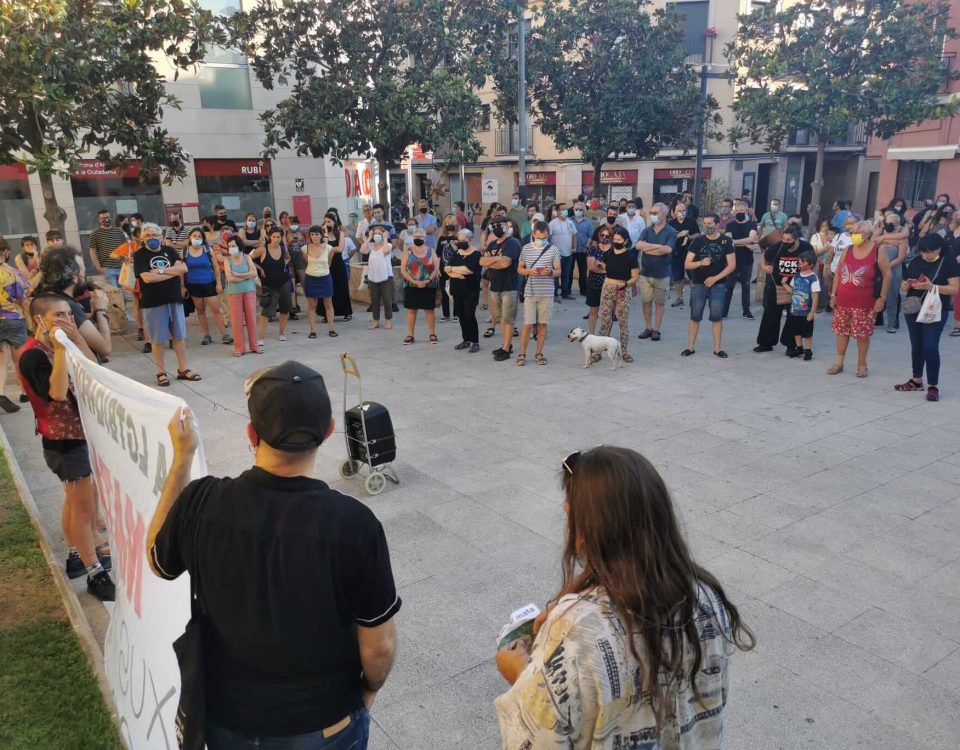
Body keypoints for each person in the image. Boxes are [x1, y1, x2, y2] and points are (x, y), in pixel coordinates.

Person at [146, 362, 400, 748]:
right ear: (329, 431)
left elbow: (158, 560)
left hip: (227, 720)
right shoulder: (355, 525)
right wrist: (365, 692)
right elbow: (379, 646)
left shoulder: (202, 501)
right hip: (324, 724)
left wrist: (182, 457)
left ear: (252, 433)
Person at [495, 446, 753, 749]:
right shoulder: (707, 597)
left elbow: (541, 740)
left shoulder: (575, 629)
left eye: (571, 514)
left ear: (591, 530)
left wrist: (519, 674)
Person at [19, 294, 114, 601]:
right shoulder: (32, 355)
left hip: (80, 435)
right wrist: (62, 350)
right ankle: (94, 571)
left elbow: (93, 368)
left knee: (75, 504)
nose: (66, 320)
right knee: (83, 509)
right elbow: (57, 393)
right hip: (64, 443)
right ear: (39, 320)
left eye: (69, 315)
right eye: (59, 315)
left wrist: (74, 340)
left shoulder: (59, 343)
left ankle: (76, 554)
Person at [894, 234, 960, 401]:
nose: (927, 255)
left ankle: (933, 385)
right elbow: (903, 285)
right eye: (924, 252)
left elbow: (954, 289)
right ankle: (916, 380)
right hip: (914, 307)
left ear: (940, 248)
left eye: (931, 251)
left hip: (936, 309)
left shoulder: (948, 262)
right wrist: (906, 284)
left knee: (930, 346)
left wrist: (932, 287)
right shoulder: (916, 261)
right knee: (916, 345)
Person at [134, 223, 202, 386]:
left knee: (179, 336)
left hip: (174, 300)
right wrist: (172, 272)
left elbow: (184, 268)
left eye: (155, 235)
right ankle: (160, 371)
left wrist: (161, 271)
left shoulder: (169, 251)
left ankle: (183, 369)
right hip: (153, 302)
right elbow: (147, 278)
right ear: (142, 238)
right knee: (158, 339)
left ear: (161, 237)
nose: (152, 238)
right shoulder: (139, 255)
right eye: (148, 236)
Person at [827, 220, 891, 378]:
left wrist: (882, 298)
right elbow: (839, 273)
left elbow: (887, 274)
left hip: (865, 301)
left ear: (868, 234)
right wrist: (833, 294)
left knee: (862, 334)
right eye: (853, 232)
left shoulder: (877, 250)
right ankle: (839, 362)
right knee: (841, 331)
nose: (854, 236)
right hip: (843, 299)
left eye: (858, 233)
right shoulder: (848, 250)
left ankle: (862, 364)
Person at [35, 247, 112, 361]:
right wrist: (101, 310)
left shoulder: (48, 299)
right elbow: (105, 349)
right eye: (83, 273)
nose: (84, 277)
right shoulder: (67, 306)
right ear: (75, 277)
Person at [683, 215, 736, 358]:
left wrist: (715, 278)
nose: (707, 226)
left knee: (717, 316)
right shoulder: (698, 241)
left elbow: (731, 265)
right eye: (705, 223)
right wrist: (700, 263)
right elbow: (687, 264)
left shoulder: (726, 241)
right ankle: (690, 347)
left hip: (718, 285)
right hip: (699, 284)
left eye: (710, 223)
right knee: (695, 316)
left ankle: (717, 349)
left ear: (717, 224)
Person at [754, 225, 811, 354]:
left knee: (794, 316)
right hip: (777, 284)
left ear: (796, 240)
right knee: (770, 314)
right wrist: (764, 267)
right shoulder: (779, 246)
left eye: (788, 240)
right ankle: (765, 343)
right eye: (783, 239)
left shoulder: (806, 247)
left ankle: (791, 345)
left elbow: (813, 263)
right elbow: (764, 255)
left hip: (797, 286)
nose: (785, 242)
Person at [516, 221, 560, 367]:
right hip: (530, 291)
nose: (542, 240)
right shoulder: (526, 249)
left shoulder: (553, 249)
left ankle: (539, 353)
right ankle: (522, 353)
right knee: (528, 324)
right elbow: (520, 269)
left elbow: (559, 270)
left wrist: (552, 272)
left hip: (547, 292)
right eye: (540, 238)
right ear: (533, 234)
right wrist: (530, 271)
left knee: (542, 324)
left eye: (545, 238)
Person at [481, 216, 522, 361]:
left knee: (508, 319)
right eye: (494, 225)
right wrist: (497, 260)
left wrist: (492, 261)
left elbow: (505, 263)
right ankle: (506, 344)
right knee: (499, 319)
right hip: (495, 286)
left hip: (509, 286)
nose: (498, 227)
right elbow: (482, 261)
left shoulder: (513, 243)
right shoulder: (492, 244)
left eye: (501, 224)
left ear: (507, 225)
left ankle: (506, 348)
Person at [634, 203, 676, 341]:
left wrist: (648, 248)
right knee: (645, 302)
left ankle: (657, 329)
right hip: (645, 273)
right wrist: (658, 247)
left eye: (656, 213)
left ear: (664, 214)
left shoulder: (671, 231)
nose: (653, 215)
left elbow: (667, 250)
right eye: (651, 212)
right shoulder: (647, 230)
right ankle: (648, 327)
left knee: (660, 303)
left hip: (662, 274)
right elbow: (638, 245)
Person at [598, 226, 639, 363]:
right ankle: (599, 351)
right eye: (614, 239)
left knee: (623, 322)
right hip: (608, 287)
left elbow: (634, 277)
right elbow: (606, 267)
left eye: (619, 239)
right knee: (605, 320)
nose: (616, 241)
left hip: (623, 289)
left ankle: (624, 351)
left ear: (626, 240)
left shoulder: (631, 256)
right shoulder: (608, 253)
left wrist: (626, 284)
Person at [183, 229, 231, 346]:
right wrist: (182, 286)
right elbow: (182, 270)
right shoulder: (185, 252)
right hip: (193, 285)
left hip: (209, 283)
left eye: (199, 236)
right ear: (190, 237)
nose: (197, 238)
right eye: (195, 236)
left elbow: (216, 268)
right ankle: (206, 335)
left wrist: (219, 283)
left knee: (215, 310)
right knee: (200, 311)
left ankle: (224, 335)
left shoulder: (207, 249)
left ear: (203, 239)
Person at [0, 242, 29, 413]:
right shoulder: (11, 273)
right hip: (13, 319)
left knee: (1, 360)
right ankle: (25, 392)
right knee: (20, 359)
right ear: (5, 252)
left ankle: (1, 393)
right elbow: (23, 297)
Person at [251, 226, 292, 345]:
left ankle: (282, 333)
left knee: (285, 309)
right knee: (266, 311)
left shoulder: (283, 249)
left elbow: (288, 258)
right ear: (270, 237)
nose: (276, 239)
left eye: (278, 237)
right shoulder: (262, 249)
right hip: (268, 284)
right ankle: (261, 337)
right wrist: (259, 268)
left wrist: (284, 264)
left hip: (283, 282)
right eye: (274, 236)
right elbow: (249, 257)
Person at [222, 236, 261, 356]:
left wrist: (238, 274)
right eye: (229, 246)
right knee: (236, 321)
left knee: (251, 319)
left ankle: (254, 346)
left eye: (233, 246)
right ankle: (239, 348)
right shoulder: (227, 260)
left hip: (249, 291)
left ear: (239, 246)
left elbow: (254, 272)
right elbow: (230, 278)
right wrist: (246, 275)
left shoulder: (247, 257)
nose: (231, 248)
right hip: (234, 293)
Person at [400, 227, 439, 345]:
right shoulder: (408, 251)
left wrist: (428, 280)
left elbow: (436, 268)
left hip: (428, 285)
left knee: (429, 310)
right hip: (412, 285)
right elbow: (403, 270)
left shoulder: (431, 250)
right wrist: (414, 281)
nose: (418, 238)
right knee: (411, 310)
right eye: (415, 236)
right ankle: (410, 334)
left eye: (420, 237)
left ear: (425, 238)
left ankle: (432, 333)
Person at [445, 229, 481, 352]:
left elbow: (469, 270)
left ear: (470, 240)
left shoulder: (476, 254)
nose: (460, 243)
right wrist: (458, 273)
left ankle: (475, 341)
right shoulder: (457, 253)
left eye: (463, 241)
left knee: (469, 315)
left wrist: (453, 270)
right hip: (457, 290)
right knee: (461, 315)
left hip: (470, 290)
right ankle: (466, 340)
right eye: (459, 240)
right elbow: (446, 268)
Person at [723, 199, 759, 319]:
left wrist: (735, 242)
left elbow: (751, 239)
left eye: (742, 210)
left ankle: (746, 311)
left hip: (746, 261)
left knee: (746, 286)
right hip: (732, 260)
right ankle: (724, 311)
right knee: (729, 286)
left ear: (746, 211)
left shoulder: (752, 224)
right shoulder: (730, 225)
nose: (739, 212)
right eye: (737, 210)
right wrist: (747, 243)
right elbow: (729, 241)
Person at [875, 212, 910, 333]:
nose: (888, 225)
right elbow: (873, 241)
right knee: (876, 294)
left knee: (892, 297)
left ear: (897, 225)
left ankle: (891, 323)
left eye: (892, 224)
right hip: (878, 269)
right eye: (887, 223)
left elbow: (901, 258)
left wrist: (886, 267)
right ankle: (876, 319)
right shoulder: (880, 232)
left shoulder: (902, 238)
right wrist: (885, 237)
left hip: (893, 270)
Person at [303, 225, 338, 339]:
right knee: (312, 305)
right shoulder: (305, 248)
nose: (314, 236)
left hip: (325, 277)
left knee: (328, 303)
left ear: (321, 235)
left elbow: (329, 264)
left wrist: (330, 257)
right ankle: (312, 330)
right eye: (312, 234)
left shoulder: (328, 247)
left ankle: (331, 329)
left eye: (317, 234)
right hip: (310, 278)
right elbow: (306, 263)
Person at [785, 250, 820, 361]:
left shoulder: (813, 278)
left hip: (806, 311)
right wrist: (783, 283)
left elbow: (815, 295)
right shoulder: (796, 276)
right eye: (800, 261)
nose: (800, 263)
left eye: (803, 261)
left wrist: (812, 312)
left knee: (807, 333)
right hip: (795, 309)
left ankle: (808, 351)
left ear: (810, 264)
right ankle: (799, 348)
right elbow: (792, 291)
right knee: (796, 331)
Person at [361, 224, 395, 331]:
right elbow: (362, 250)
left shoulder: (388, 245)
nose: (377, 235)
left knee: (387, 300)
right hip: (373, 278)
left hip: (386, 278)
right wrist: (369, 238)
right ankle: (375, 321)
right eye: (375, 233)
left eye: (379, 234)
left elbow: (385, 251)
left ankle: (388, 320)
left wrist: (385, 238)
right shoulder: (371, 246)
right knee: (374, 300)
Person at [322, 212, 355, 322]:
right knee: (328, 288)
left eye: (329, 221)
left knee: (341, 286)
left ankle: (346, 312)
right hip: (327, 263)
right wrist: (326, 233)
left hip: (338, 262)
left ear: (334, 222)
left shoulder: (340, 232)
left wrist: (329, 249)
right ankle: (327, 313)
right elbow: (323, 247)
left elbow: (340, 249)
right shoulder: (323, 234)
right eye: (325, 221)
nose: (327, 223)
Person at [669, 200, 700, 307]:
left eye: (683, 210)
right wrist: (680, 235)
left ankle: (696, 298)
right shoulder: (671, 223)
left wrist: (689, 237)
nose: (681, 212)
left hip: (690, 253)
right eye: (679, 210)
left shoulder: (691, 221)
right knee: (678, 278)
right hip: (676, 253)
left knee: (693, 277)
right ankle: (679, 298)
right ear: (674, 212)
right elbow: (669, 237)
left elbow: (698, 234)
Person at [88, 208, 127, 288]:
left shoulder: (119, 231)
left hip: (123, 268)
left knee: (127, 295)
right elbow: (92, 252)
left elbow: (126, 248)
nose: (106, 219)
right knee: (114, 295)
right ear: (99, 220)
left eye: (108, 217)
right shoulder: (95, 233)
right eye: (103, 218)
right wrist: (98, 267)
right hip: (108, 269)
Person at [548, 206, 578, 300]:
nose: (564, 211)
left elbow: (574, 236)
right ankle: (554, 294)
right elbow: (548, 237)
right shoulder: (552, 223)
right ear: (557, 211)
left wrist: (574, 247)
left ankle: (565, 293)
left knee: (566, 274)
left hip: (568, 253)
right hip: (556, 254)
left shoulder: (570, 222)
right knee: (556, 275)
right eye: (562, 209)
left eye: (565, 209)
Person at [585, 228, 610, 335]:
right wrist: (606, 268)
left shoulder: (613, 250)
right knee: (593, 311)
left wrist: (599, 264)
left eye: (607, 236)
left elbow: (616, 268)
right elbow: (591, 267)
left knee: (607, 312)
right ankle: (591, 334)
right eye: (602, 235)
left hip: (609, 285)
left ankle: (605, 335)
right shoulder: (593, 249)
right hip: (594, 284)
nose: (604, 237)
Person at [436, 215, 459, 321]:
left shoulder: (459, 237)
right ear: (445, 224)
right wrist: (437, 269)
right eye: (448, 223)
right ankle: (446, 314)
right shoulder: (441, 238)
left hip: (456, 269)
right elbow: (438, 255)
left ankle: (457, 314)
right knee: (444, 292)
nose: (450, 225)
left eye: (452, 222)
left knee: (456, 292)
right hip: (443, 269)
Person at [809, 219, 834, 311]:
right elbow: (815, 252)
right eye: (822, 225)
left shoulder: (832, 236)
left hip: (828, 264)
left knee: (827, 285)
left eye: (826, 225)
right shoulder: (815, 237)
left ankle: (824, 304)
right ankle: (816, 305)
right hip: (817, 264)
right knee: (817, 284)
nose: (824, 228)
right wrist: (825, 248)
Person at [572, 200, 592, 297]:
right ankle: (566, 290)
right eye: (576, 209)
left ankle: (583, 290)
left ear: (584, 211)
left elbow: (590, 236)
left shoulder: (588, 222)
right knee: (568, 271)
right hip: (571, 250)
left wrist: (587, 246)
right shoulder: (569, 220)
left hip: (583, 250)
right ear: (573, 209)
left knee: (583, 272)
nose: (578, 211)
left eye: (580, 209)